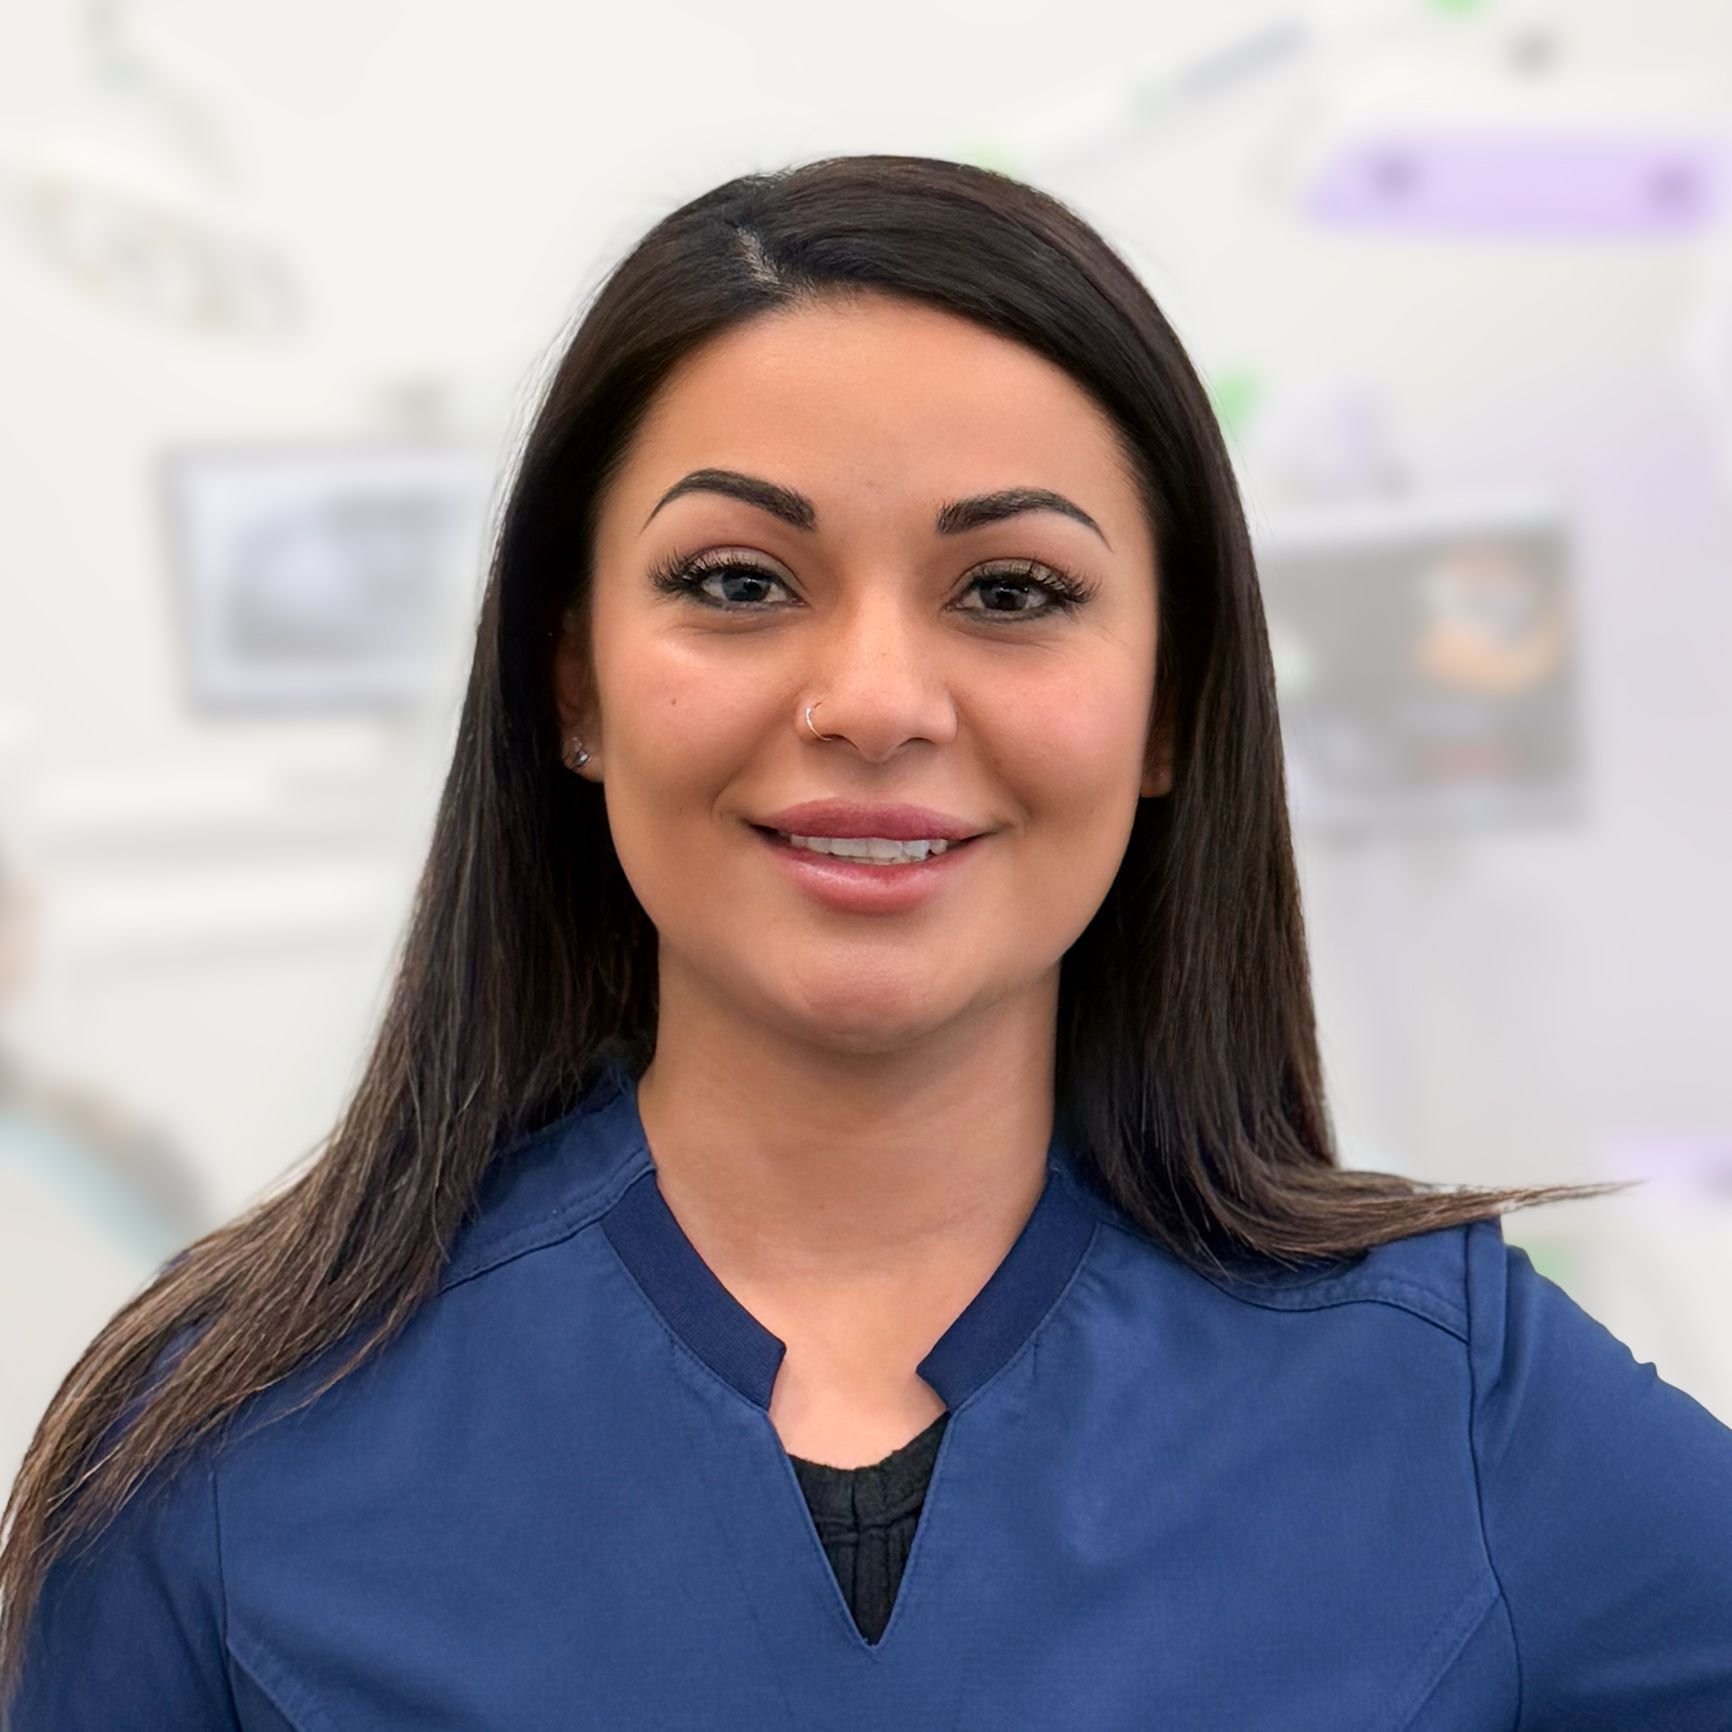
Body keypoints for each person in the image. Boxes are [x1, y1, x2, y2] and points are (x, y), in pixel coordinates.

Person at [4, 153, 1730, 1729]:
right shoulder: (225, 1445)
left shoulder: (1449, 1393)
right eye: (740, 582)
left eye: (1013, 592)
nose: (876, 703)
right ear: (575, 682)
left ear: (1170, 707)